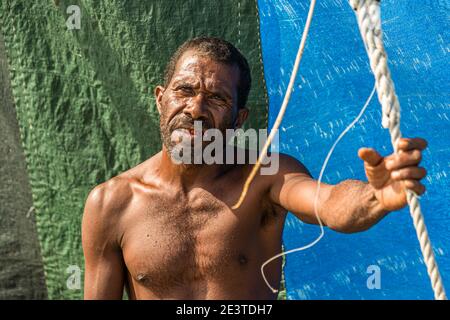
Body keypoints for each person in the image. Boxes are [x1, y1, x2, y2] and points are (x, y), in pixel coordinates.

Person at [82, 37, 428, 299]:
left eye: (217, 99)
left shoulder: (266, 178)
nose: (196, 109)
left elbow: (330, 204)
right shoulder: (111, 203)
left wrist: (376, 197)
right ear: (160, 98)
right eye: (184, 91)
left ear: (238, 120)